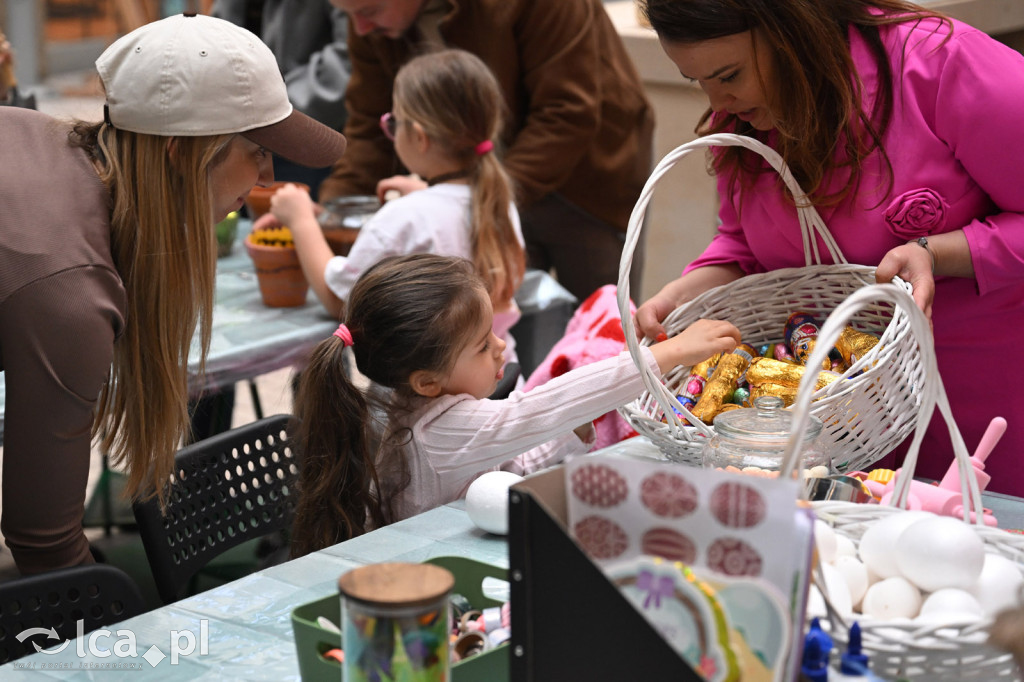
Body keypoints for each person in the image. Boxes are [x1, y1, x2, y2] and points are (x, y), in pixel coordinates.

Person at [0, 14, 346, 574]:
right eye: (256, 148)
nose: (265, 176)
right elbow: (42, 543)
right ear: (179, 156)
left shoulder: (35, 133)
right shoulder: (69, 292)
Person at [633, 0, 1024, 495]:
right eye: (698, 82)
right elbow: (743, 246)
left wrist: (940, 251)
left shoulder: (943, 64)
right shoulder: (743, 122)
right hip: (843, 434)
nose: (720, 104)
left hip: (988, 415)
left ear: (792, 31)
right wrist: (680, 295)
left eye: (728, 74)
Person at [289, 254, 739, 556]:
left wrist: (564, 435)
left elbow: (505, 458)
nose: (502, 348)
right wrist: (666, 354)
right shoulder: (442, 430)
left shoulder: (402, 401)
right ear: (427, 381)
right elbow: (537, 410)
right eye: (483, 346)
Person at [318, 0, 655, 302]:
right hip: (481, 189)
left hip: (588, 186)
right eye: (349, 14)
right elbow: (370, 125)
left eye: (369, 11)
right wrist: (326, 212)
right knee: (498, 331)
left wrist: (468, 198)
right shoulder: (367, 16)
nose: (361, 28)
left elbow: (567, 113)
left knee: (602, 331)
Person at [269, 50, 526, 372]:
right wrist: (428, 194)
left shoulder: (403, 218)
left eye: (393, 122)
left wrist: (300, 219)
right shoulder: (499, 204)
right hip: (500, 381)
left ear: (418, 137)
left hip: (422, 406)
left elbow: (343, 302)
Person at [211, 0, 351, 198]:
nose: (266, 178)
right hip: (231, 130)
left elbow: (347, 57)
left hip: (304, 125)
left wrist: (270, 108)